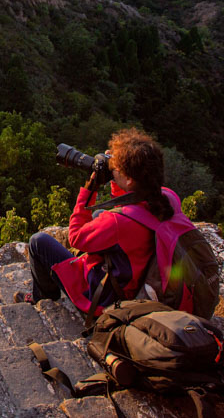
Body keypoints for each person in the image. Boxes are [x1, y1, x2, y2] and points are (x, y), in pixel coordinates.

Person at [16, 129, 183, 318]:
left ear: (129, 179)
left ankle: (42, 298)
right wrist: (116, 178)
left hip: (106, 298)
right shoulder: (168, 197)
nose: (113, 169)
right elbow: (129, 207)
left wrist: (90, 188)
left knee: (38, 242)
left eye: (117, 168)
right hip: (136, 276)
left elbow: (76, 237)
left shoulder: (117, 223)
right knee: (99, 214)